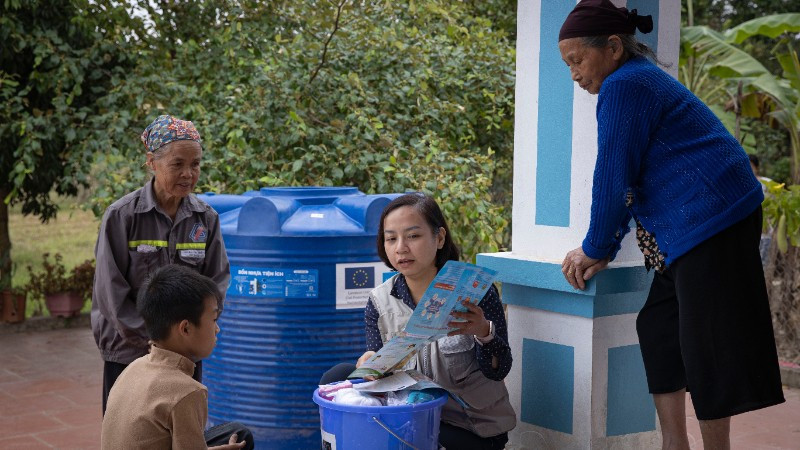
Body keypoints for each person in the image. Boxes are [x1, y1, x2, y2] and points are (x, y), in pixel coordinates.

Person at [556, 1, 785, 449]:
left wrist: (595, 247)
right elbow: (630, 175)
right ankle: (674, 443)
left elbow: (613, 175)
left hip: (714, 217)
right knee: (659, 328)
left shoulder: (624, 84)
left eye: (577, 60)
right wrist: (607, 244)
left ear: (614, 47)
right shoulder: (632, 79)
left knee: (707, 345)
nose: (574, 74)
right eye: (568, 65)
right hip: (694, 221)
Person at [320, 193, 516, 450]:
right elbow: (379, 376)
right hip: (408, 415)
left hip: (469, 426)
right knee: (337, 376)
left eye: (413, 236)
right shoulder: (379, 300)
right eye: (391, 238)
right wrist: (371, 365)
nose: (401, 248)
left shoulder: (473, 292)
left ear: (440, 238)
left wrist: (483, 332)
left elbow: (499, 370)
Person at [92, 115, 230, 414]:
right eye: (177, 164)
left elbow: (216, 283)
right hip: (129, 350)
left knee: (181, 426)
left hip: (184, 351)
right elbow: (110, 292)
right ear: (151, 162)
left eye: (195, 164)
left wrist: (192, 334)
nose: (188, 174)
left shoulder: (205, 219)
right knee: (128, 427)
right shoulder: (122, 216)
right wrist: (158, 341)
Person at [101, 264, 253, 450]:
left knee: (237, 432)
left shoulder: (133, 368)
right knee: (242, 439)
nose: (217, 329)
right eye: (213, 320)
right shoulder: (187, 392)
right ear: (186, 328)